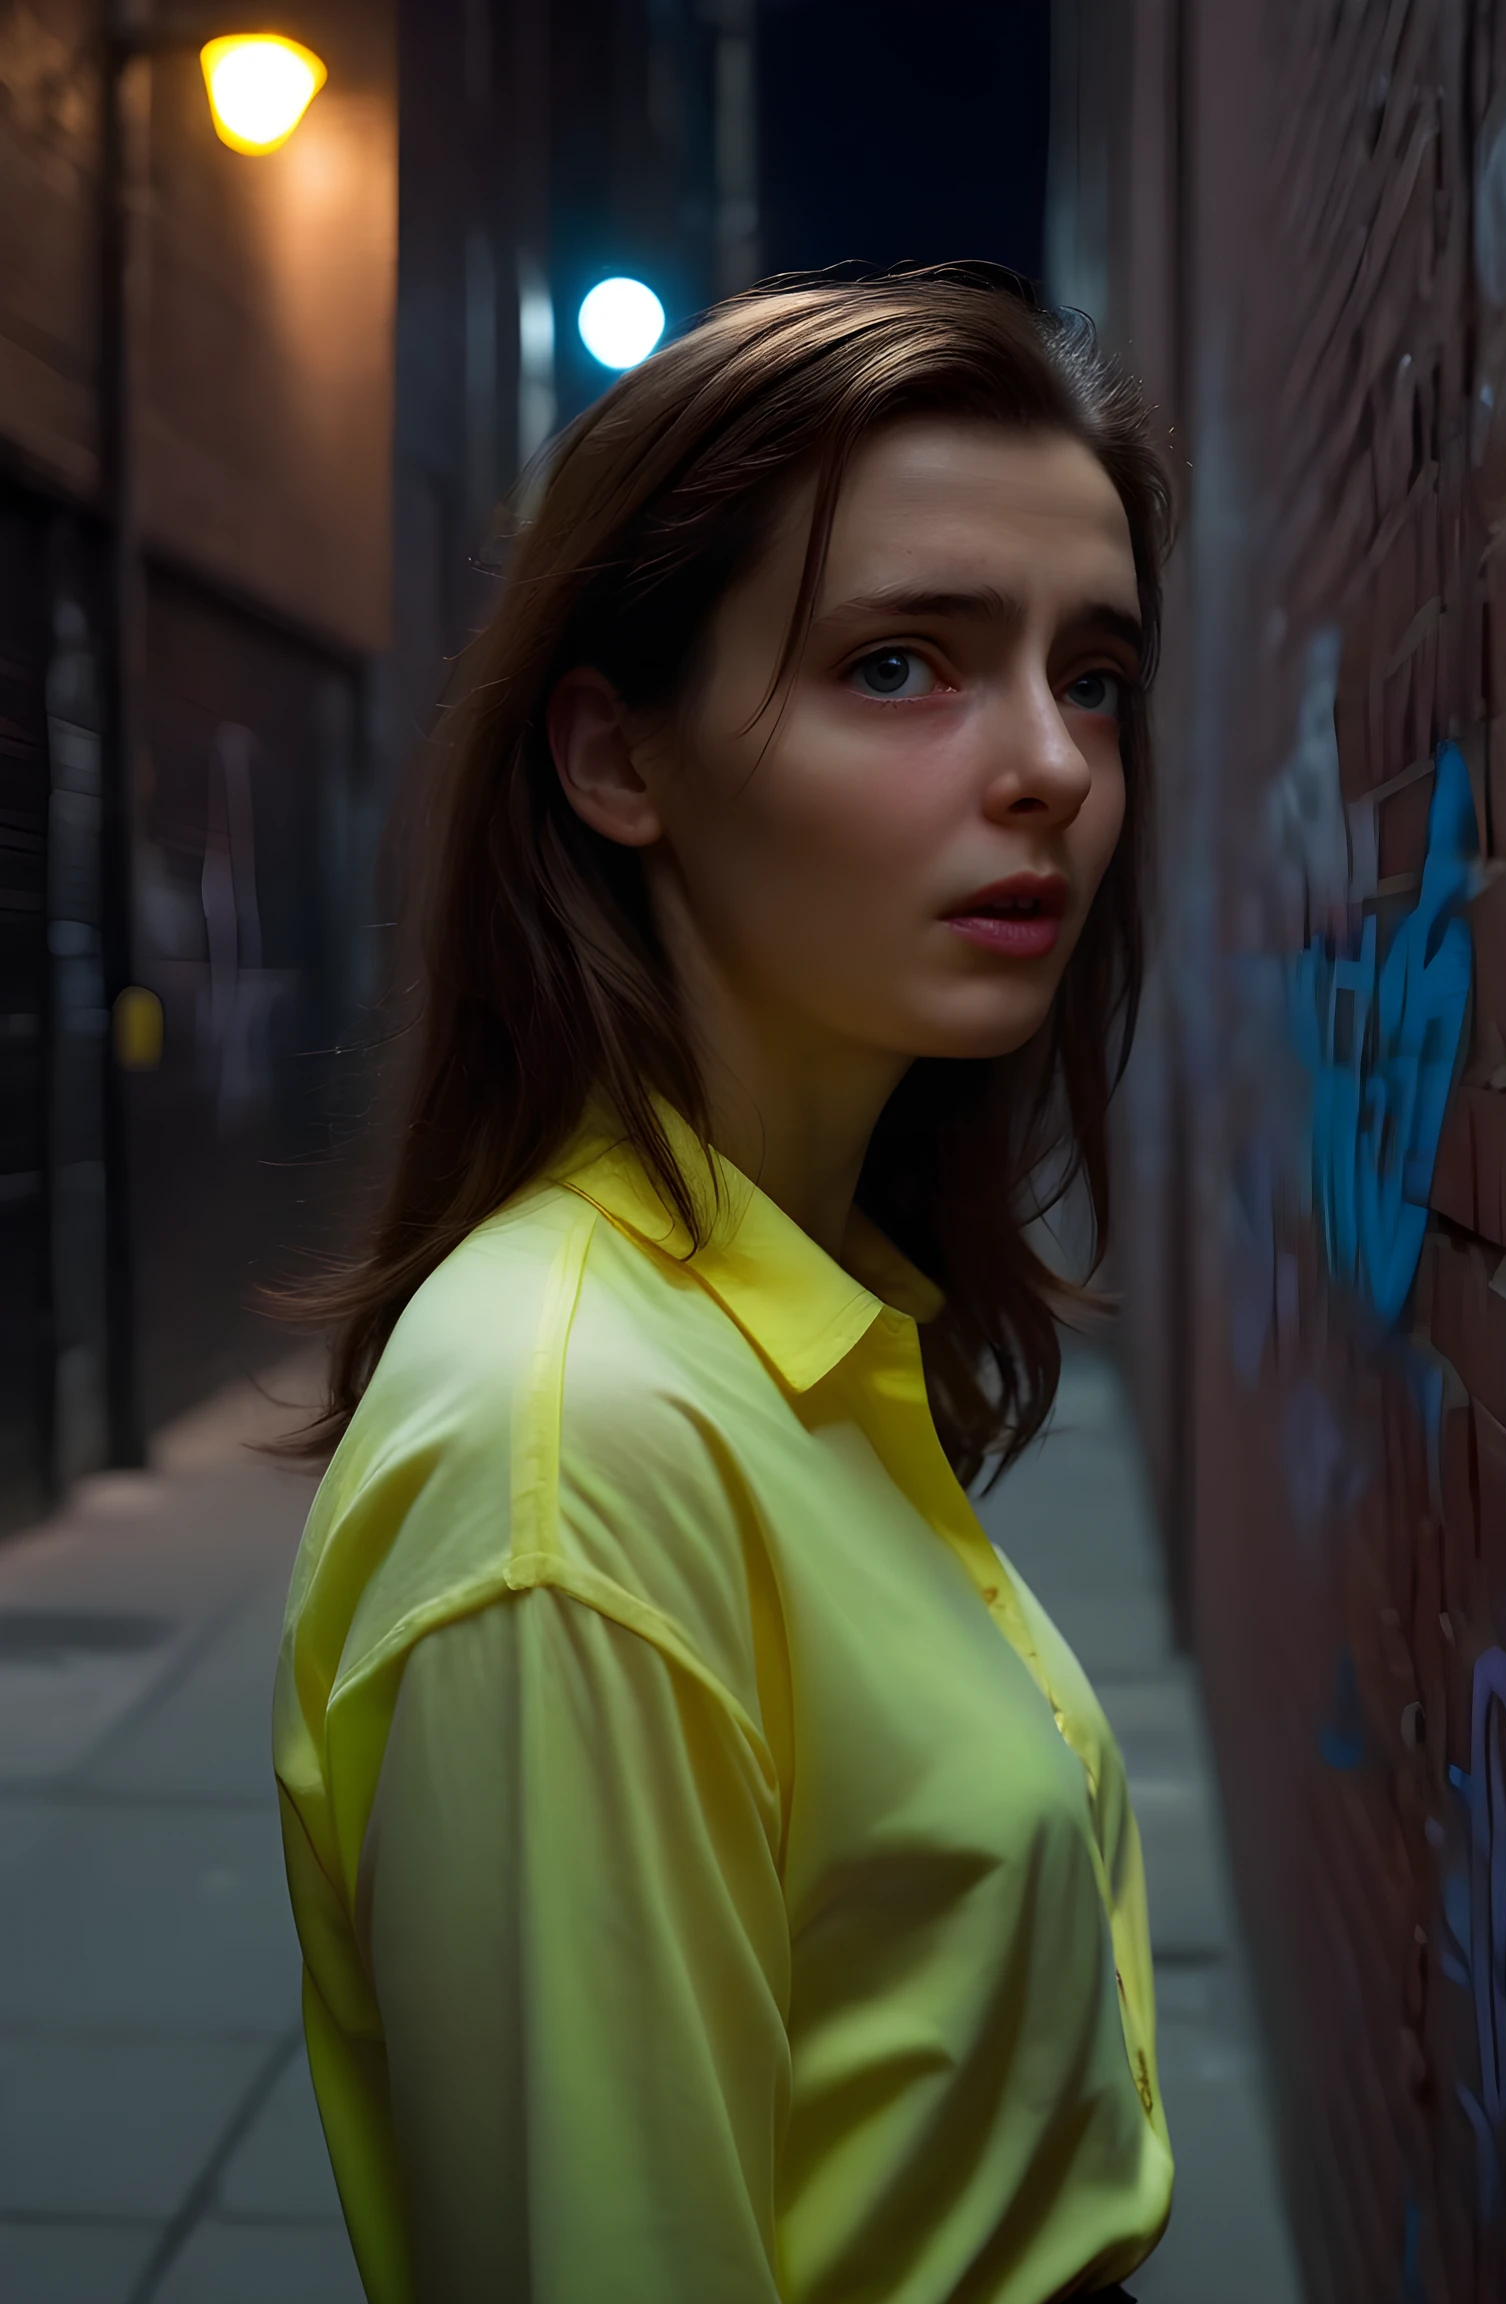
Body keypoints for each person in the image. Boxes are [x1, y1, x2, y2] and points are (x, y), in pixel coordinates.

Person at [274, 265, 1175, 2304]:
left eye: (1092, 674)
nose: (1049, 765)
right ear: (619, 762)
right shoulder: (571, 1456)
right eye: (899, 666)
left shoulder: (807, 1315)